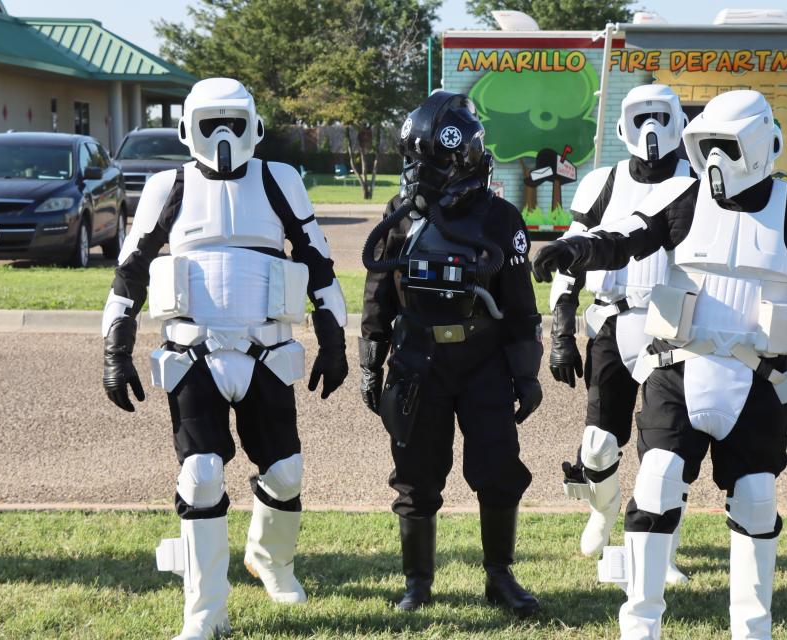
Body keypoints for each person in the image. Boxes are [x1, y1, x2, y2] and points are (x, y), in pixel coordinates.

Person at [532, 90, 787, 640]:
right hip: (679, 368)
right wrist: (576, 252)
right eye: (704, 144)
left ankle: (751, 631)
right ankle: (639, 628)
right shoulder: (687, 200)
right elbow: (627, 238)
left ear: (762, 145)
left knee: (757, 500)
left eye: (725, 145)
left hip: (760, 379)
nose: (713, 159)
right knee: (656, 484)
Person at [100, 78, 348, 640]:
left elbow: (319, 265)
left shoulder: (279, 181)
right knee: (201, 474)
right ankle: (206, 613)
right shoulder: (169, 186)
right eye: (209, 123)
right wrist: (114, 349)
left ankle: (270, 559)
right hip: (193, 355)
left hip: (267, 352)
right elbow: (129, 273)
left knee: (285, 475)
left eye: (232, 123)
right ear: (188, 128)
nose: (221, 135)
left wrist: (334, 340)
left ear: (254, 127)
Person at [358, 91, 544, 617]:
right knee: (415, 474)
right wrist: (371, 359)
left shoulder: (500, 218)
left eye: (427, 161)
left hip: (482, 364)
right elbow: (378, 294)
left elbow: (521, 304)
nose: (417, 172)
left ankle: (499, 577)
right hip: (417, 362)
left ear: (456, 156)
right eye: (412, 161)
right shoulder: (397, 217)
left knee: (498, 469)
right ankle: (417, 584)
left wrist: (526, 374)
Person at [549, 84, 689, 584]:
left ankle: (663, 554)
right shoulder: (602, 182)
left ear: (677, 119)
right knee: (597, 445)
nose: (651, 128)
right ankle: (602, 512)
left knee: (665, 453)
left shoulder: (694, 183)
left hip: (673, 330)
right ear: (625, 124)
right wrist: (560, 329)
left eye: (660, 115)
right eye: (641, 116)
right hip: (611, 322)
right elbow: (571, 253)